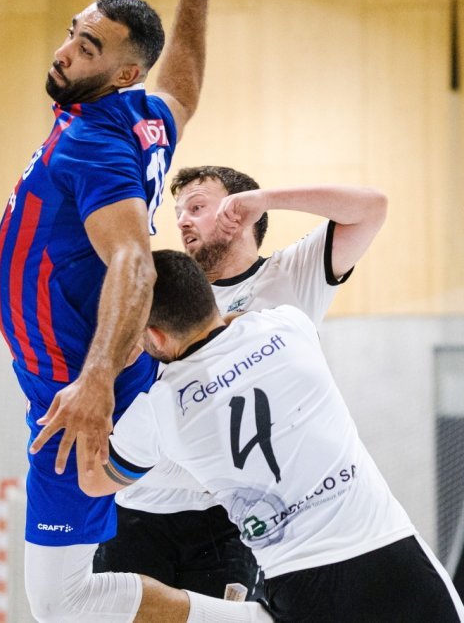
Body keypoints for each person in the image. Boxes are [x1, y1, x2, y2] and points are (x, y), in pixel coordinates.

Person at [0, 0, 268, 622]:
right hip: (82, 387)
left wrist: (94, 385)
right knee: (63, 598)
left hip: (77, 393)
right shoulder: (137, 118)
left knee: (60, 603)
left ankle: (254, 610)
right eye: (70, 34)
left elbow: (134, 268)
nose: (63, 54)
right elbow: (183, 89)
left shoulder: (96, 146)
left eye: (84, 49)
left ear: (118, 72)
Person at [81, 249, 464, 622]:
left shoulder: (160, 408)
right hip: (390, 553)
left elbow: (93, 481)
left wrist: (104, 370)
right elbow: (235, 320)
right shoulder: (288, 325)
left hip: (301, 585)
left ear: (155, 336)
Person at [97, 165, 389, 597]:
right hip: (140, 509)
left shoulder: (292, 274)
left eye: (196, 207)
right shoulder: (165, 290)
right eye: (178, 211)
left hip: (229, 517)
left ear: (241, 213)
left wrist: (267, 199)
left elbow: (371, 207)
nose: (182, 220)